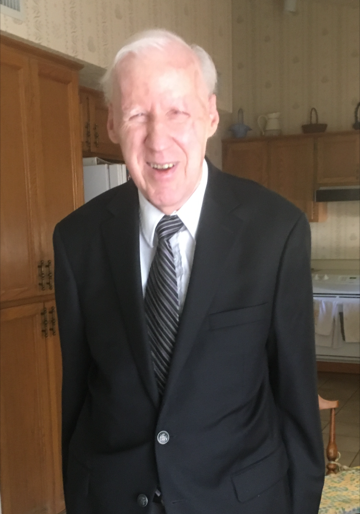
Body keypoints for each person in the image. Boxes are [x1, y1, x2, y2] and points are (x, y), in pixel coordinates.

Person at [53, 29, 324, 514]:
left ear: (211, 115)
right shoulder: (75, 241)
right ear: (112, 122)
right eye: (138, 114)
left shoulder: (276, 231)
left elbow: (296, 403)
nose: (158, 139)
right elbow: (76, 400)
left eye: (178, 111)